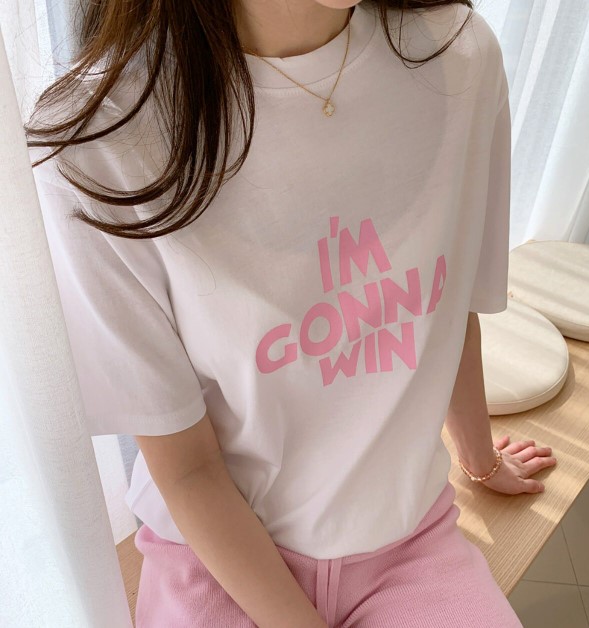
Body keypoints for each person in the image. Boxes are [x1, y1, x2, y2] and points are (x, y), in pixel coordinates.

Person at [27, 0, 557, 626]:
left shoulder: (459, 57)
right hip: (220, 559)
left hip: (407, 543)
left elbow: (446, 308)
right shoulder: (100, 140)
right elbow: (187, 467)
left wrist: (480, 459)